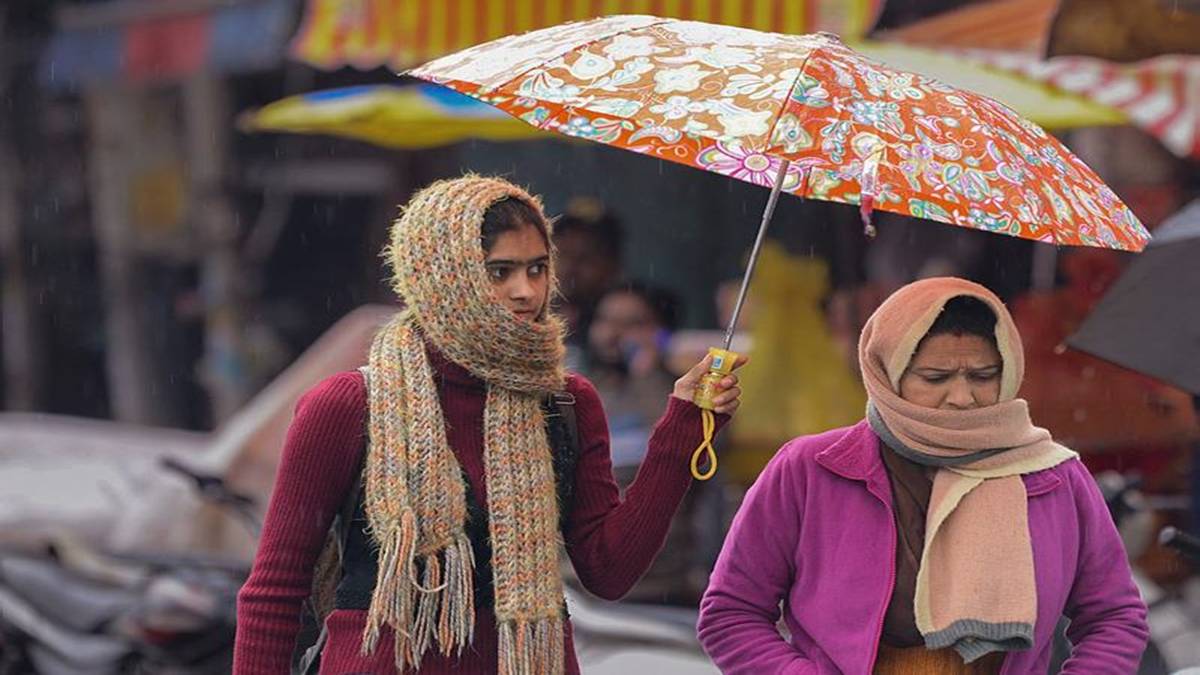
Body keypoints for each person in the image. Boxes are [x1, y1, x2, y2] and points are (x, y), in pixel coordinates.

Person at [232, 175, 746, 674]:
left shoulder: (566, 403)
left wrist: (687, 425)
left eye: (538, 268)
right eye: (500, 271)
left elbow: (610, 571)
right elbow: (276, 590)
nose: (526, 291)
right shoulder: (347, 405)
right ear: (443, 275)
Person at [697, 277, 1148, 674]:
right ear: (887, 374)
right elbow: (731, 613)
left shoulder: (1053, 475)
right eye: (935, 377)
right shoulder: (811, 469)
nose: (962, 398)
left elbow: (1114, 618)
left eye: (983, 375)